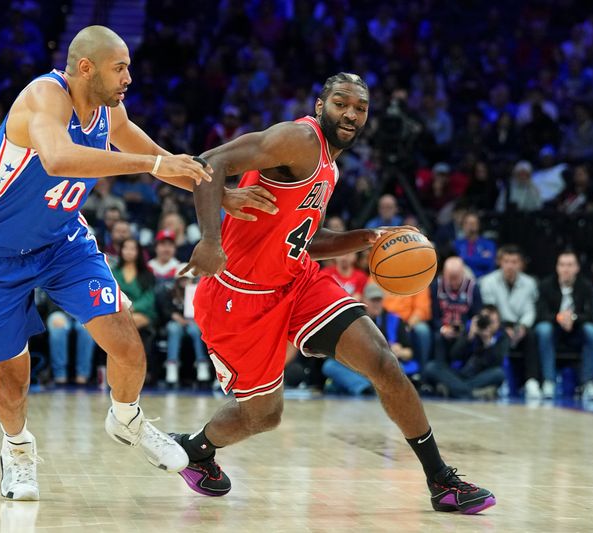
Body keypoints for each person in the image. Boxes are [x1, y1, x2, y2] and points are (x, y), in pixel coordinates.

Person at [0, 25, 275, 501]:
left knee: (126, 342)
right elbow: (60, 159)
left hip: (62, 242)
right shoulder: (43, 96)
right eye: (119, 67)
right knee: (12, 378)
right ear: (86, 67)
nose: (129, 76)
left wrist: (220, 195)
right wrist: (151, 167)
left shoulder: (111, 111)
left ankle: (126, 419)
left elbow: (161, 158)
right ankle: (17, 449)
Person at [173, 73, 495, 514]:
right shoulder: (299, 139)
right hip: (238, 293)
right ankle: (196, 450)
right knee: (264, 415)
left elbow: (305, 238)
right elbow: (207, 162)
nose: (351, 113)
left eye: (360, 108)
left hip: (297, 280)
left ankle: (442, 481)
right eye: (342, 102)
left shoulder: (330, 164)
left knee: (382, 360)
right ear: (321, 102)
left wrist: (367, 237)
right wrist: (210, 239)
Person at [534, 251, 593, 400]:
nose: (566, 269)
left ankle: (588, 383)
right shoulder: (546, 285)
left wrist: (573, 318)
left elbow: (590, 315)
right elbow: (540, 314)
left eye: (570, 265)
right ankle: (549, 381)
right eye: (562, 265)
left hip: (576, 330)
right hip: (554, 329)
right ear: (557, 267)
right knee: (543, 329)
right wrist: (559, 318)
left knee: (592, 331)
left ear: (577, 268)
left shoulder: (585, 286)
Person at [479, 245, 540, 398]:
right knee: (501, 335)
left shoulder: (530, 283)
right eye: (506, 261)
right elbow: (490, 310)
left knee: (532, 336)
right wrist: (502, 326)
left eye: (514, 262)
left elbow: (530, 310)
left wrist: (523, 327)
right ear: (500, 262)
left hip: (520, 324)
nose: (510, 266)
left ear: (521, 264)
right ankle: (502, 380)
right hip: (498, 325)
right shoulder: (487, 281)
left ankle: (532, 381)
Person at [424, 305, 507, 399]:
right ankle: (472, 393)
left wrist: (487, 342)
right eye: (484, 319)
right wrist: (469, 337)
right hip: (457, 374)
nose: (486, 324)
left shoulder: (502, 337)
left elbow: (497, 363)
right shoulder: (469, 330)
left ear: (499, 323)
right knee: (431, 367)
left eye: (491, 322)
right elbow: (454, 355)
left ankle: (453, 390)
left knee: (499, 373)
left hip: (479, 377)